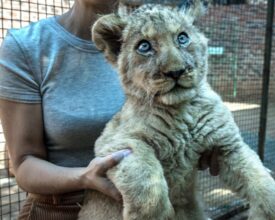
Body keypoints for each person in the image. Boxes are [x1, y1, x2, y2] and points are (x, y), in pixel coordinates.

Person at [0, 0, 219, 219]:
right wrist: (85, 177)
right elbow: (23, 164)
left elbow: (183, 124)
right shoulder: (26, 47)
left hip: (161, 205)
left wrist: (199, 149)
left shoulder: (174, 44)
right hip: (62, 208)